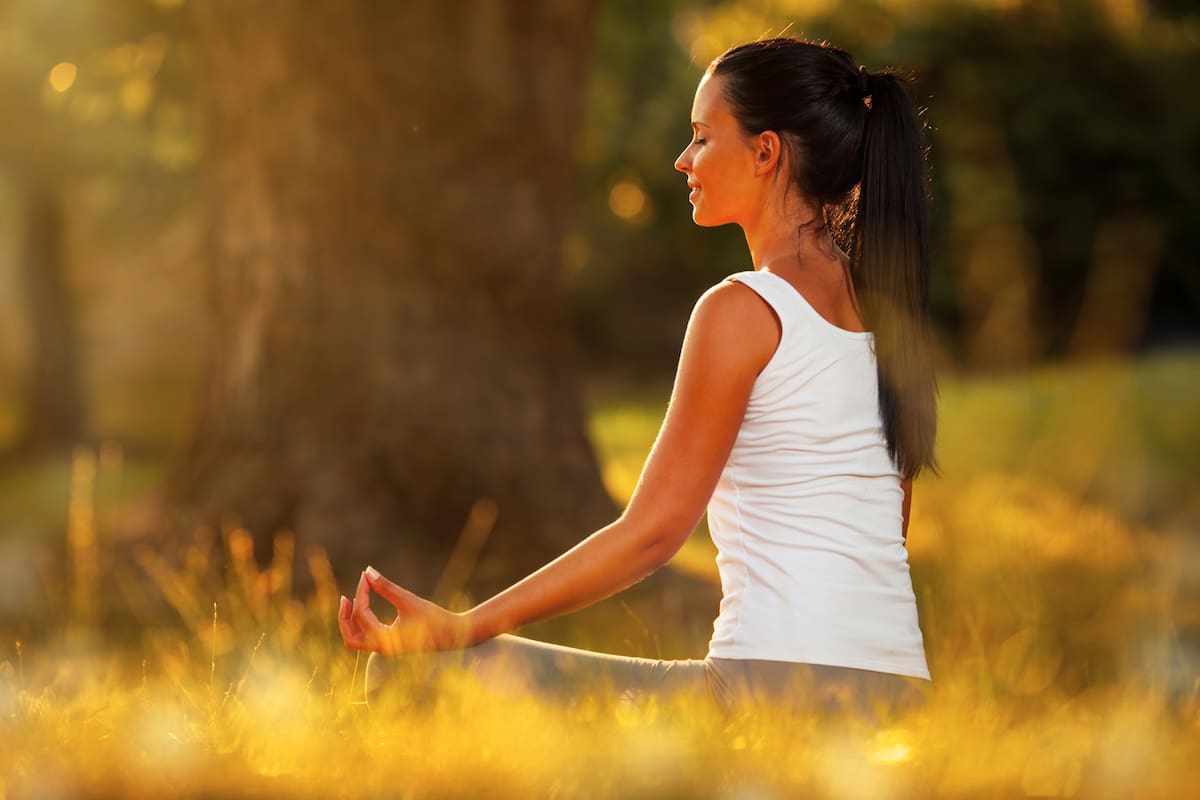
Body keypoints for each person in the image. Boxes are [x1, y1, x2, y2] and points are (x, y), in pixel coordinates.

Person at [338, 37, 938, 721]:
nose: (684, 160)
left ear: (766, 152)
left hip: (771, 695)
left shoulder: (744, 310)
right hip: (900, 698)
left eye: (703, 138)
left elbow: (652, 535)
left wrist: (465, 626)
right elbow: (886, 537)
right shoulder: (890, 322)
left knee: (421, 672)